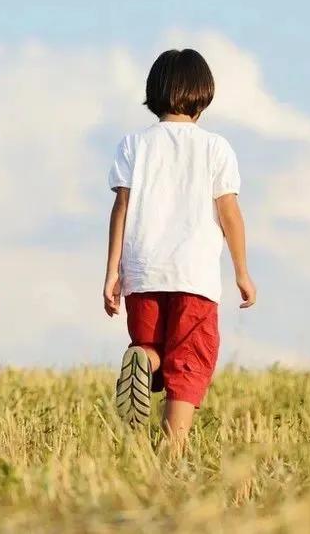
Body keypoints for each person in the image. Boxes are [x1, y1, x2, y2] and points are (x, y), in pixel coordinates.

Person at [103, 48, 256, 446]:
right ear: (204, 94)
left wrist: (112, 273)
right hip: (194, 276)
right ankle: (173, 453)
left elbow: (121, 208)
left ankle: (143, 360)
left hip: (143, 273)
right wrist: (242, 271)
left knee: (151, 347)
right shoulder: (215, 148)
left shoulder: (133, 144)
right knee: (189, 361)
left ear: (153, 91)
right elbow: (229, 213)